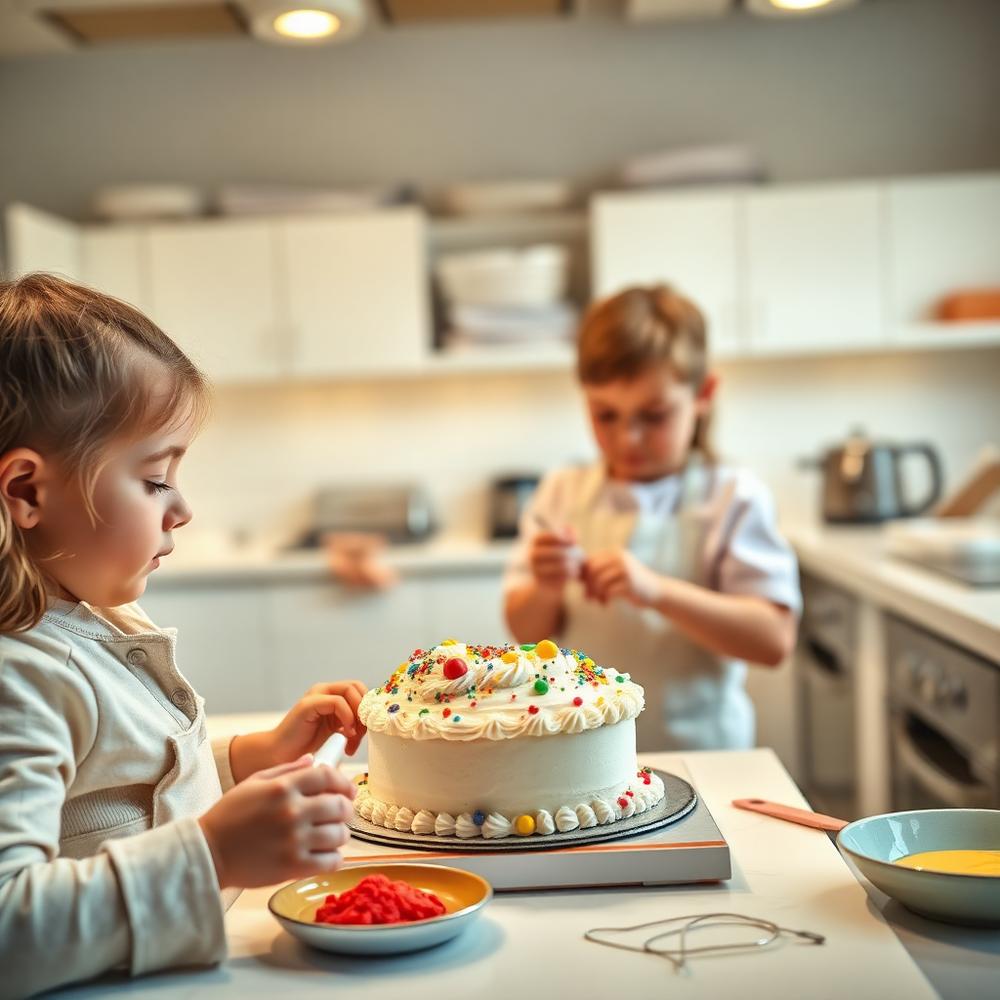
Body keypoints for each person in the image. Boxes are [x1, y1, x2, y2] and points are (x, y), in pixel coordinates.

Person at [0, 274, 366, 998]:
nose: (183, 509)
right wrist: (213, 854)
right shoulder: (19, 679)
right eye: (156, 477)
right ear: (27, 493)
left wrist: (249, 761)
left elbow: (117, 792)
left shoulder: (95, 619)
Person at [504, 285, 800, 752]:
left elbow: (773, 640)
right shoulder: (562, 491)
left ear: (703, 394)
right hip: (583, 755)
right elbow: (526, 634)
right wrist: (545, 587)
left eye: (654, 415)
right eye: (606, 416)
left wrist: (659, 592)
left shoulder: (733, 497)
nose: (629, 438)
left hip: (704, 755)